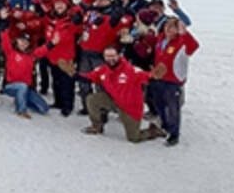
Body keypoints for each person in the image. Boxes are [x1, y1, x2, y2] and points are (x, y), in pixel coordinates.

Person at [80, 45, 163, 142]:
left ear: (119, 55)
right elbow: (88, 77)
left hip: (129, 108)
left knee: (134, 138)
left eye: (113, 56)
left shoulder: (131, 70)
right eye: (107, 56)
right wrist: (72, 74)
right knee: (92, 99)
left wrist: (153, 76)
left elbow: (146, 76)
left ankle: (153, 131)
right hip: (114, 101)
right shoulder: (103, 69)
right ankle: (96, 126)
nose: (110, 59)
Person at [147, 17, 199, 146]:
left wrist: (185, 33)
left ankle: (174, 134)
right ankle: (165, 125)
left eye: (172, 27)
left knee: (173, 108)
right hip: (158, 78)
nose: (169, 30)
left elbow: (194, 46)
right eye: (167, 27)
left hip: (173, 81)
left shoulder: (182, 42)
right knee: (158, 104)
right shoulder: (160, 39)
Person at [0, 19, 51, 118]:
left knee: (44, 109)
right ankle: (21, 110)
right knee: (22, 86)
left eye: (26, 42)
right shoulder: (11, 52)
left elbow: (42, 50)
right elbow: (4, 39)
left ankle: (22, 99)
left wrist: (52, 43)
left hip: (26, 88)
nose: (23, 44)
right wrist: (3, 27)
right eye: (21, 41)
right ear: (17, 41)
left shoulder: (31, 55)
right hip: (10, 86)